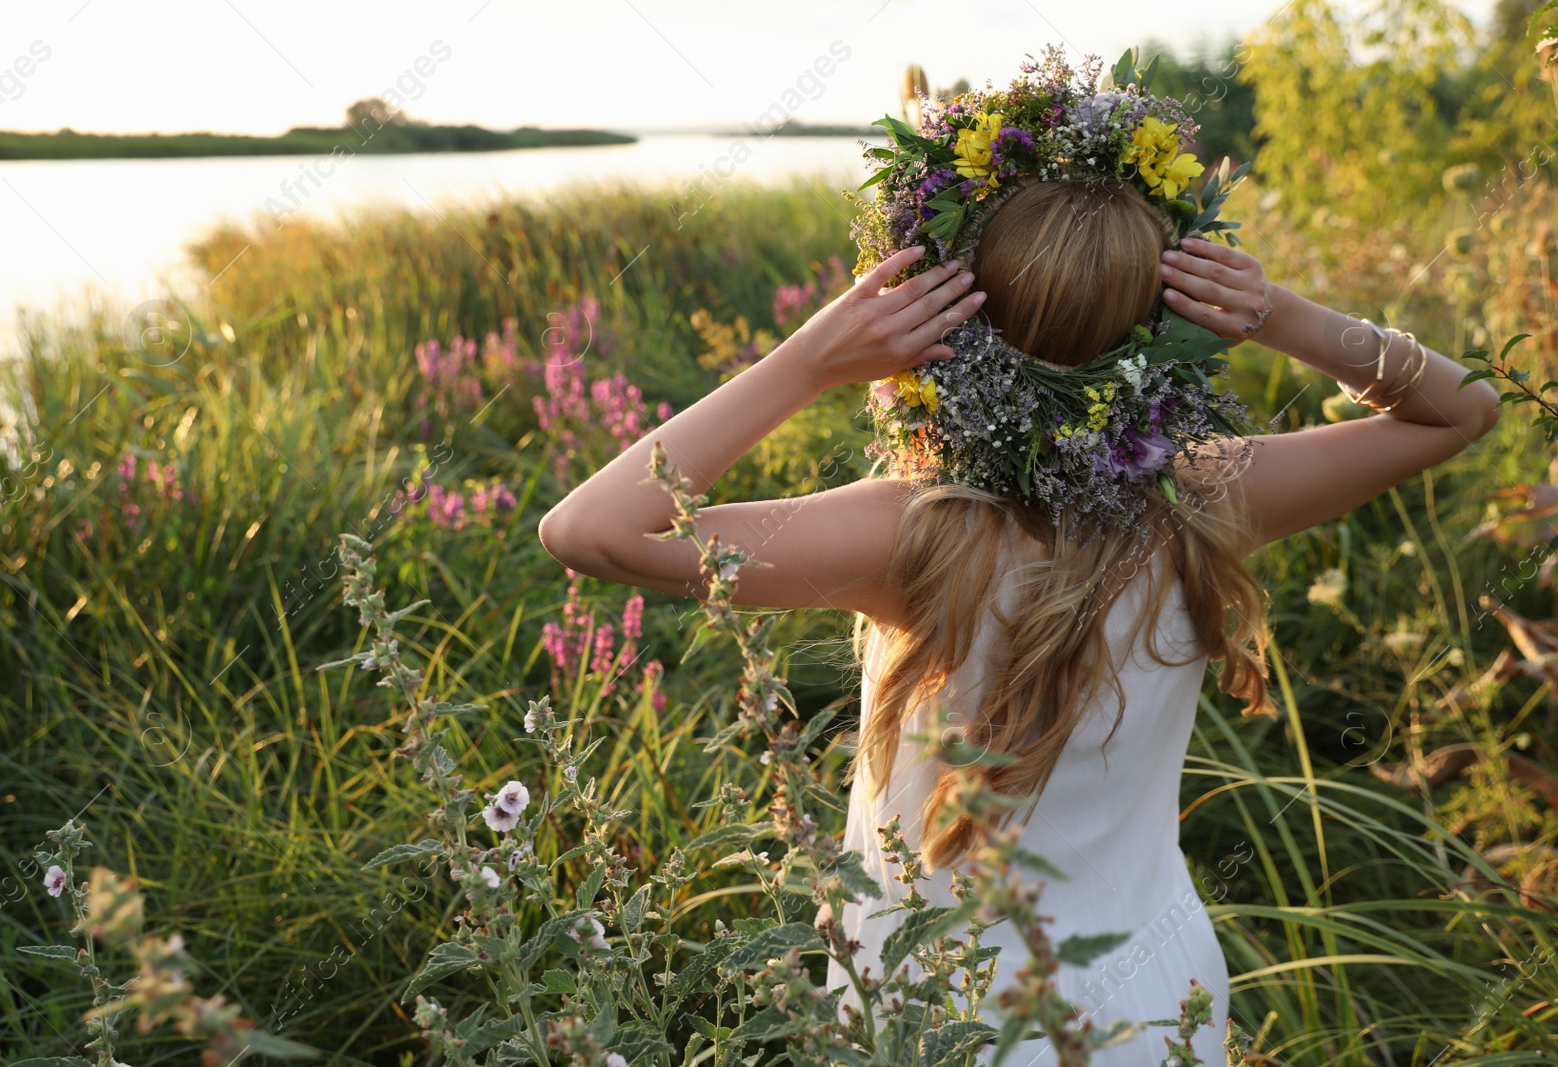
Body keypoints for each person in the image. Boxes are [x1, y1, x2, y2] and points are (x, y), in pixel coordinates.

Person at [538, 67, 1500, 1067]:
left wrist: (812, 357)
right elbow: (1463, 406)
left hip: (942, 1022)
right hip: (1157, 1013)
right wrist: (1277, 313)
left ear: (949, 323)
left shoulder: (908, 534)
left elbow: (590, 531)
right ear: (1157, 328)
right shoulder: (1206, 497)